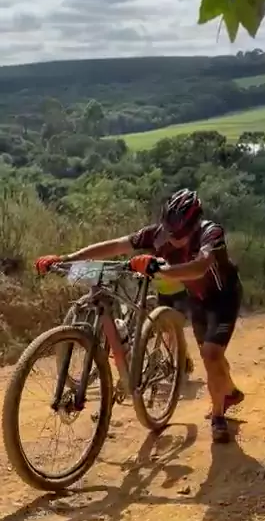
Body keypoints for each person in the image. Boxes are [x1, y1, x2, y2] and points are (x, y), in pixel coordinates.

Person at [35, 188, 243, 444]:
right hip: (197, 300)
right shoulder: (158, 234)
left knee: (211, 354)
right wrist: (67, 258)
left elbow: (200, 267)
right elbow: (115, 245)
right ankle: (229, 392)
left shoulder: (211, 233)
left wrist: (159, 269)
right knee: (211, 356)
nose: (173, 238)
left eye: (179, 234)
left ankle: (218, 415)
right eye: (170, 231)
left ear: (195, 224)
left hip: (224, 297)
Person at [153, 273, 194, 374]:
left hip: (179, 292)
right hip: (162, 292)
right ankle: (177, 359)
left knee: (175, 328)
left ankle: (179, 360)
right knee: (167, 330)